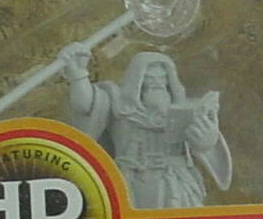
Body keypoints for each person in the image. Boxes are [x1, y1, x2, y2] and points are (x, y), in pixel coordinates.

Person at [60, 45, 232, 209]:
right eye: (150, 79)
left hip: (175, 183)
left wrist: (206, 141)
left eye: (162, 79)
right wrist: (78, 74)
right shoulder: (120, 108)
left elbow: (205, 145)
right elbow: (86, 106)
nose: (157, 84)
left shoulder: (183, 112)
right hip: (130, 181)